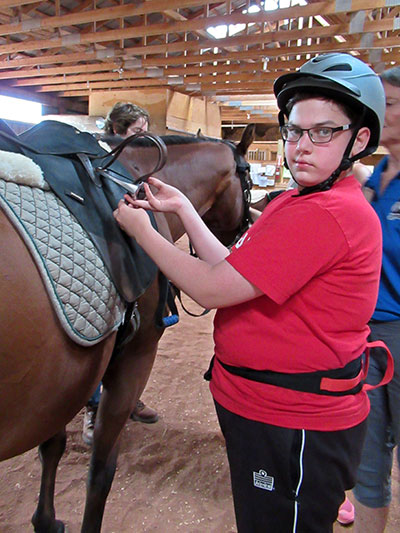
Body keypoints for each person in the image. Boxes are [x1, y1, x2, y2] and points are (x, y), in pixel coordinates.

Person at [113, 53, 390, 532]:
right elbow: (234, 268)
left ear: (359, 139)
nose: (302, 147)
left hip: (294, 419)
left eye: (323, 131)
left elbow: (211, 287)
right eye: (295, 130)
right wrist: (183, 206)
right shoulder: (296, 201)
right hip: (264, 406)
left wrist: (144, 231)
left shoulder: (326, 214)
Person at [338, 65, 400, 532]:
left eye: (391, 105)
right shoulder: (379, 172)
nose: (381, 114)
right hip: (367, 336)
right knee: (368, 461)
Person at [82, 101, 158, 447]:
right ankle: (92, 407)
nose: (142, 140)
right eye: (135, 133)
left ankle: (127, 396)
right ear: (116, 132)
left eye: (145, 133)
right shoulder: (98, 160)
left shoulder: (137, 167)